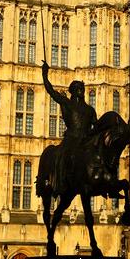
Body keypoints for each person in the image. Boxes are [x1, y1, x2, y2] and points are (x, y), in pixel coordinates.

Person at [42, 61, 97, 193]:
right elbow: (51, 91)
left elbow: (97, 126)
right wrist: (44, 74)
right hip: (71, 139)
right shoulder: (66, 103)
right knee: (61, 156)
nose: (82, 91)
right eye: (79, 88)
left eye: (82, 88)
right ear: (73, 91)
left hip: (85, 140)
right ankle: (57, 182)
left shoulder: (90, 110)